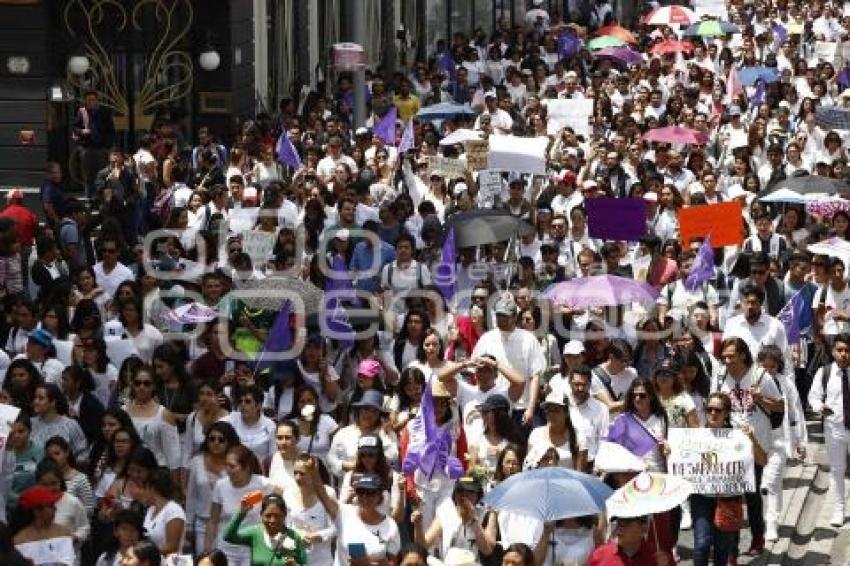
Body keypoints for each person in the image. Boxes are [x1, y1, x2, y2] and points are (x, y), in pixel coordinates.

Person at [223, 492, 308, 566]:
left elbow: (305, 563)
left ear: (285, 515)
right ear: (261, 515)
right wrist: (241, 512)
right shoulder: (255, 533)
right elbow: (228, 536)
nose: (272, 520)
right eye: (268, 516)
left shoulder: (294, 537)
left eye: (277, 516)